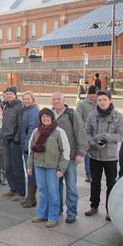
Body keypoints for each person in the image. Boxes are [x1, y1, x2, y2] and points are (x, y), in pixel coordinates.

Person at [84, 91, 123, 221]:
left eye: (104, 100)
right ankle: (94, 206)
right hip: (95, 155)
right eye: (99, 100)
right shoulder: (92, 114)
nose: (101, 102)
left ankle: (109, 210)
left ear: (110, 100)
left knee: (111, 183)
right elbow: (87, 132)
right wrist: (93, 143)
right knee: (95, 182)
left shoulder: (118, 116)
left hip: (110, 157)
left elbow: (122, 136)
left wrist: (109, 137)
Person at [28, 108, 70, 228]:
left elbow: (65, 151)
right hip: (39, 165)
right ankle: (42, 214)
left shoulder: (58, 132)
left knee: (53, 192)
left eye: (48, 117)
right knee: (42, 191)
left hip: (52, 167)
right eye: (43, 117)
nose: (45, 119)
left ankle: (53, 217)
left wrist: (62, 169)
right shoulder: (36, 131)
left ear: (52, 118)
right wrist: (29, 166)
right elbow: (31, 150)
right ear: (40, 118)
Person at [51, 91, 88, 224]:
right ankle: (58, 209)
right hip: (54, 159)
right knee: (56, 186)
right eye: (54, 99)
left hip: (70, 158)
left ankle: (71, 212)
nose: (56, 101)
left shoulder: (72, 115)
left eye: (58, 99)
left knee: (71, 187)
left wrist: (81, 153)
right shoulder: (50, 114)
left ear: (64, 100)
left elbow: (81, 134)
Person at [2, 87, 25, 200]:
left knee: (17, 167)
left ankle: (20, 192)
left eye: (11, 93)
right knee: (8, 167)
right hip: (6, 140)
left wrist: (16, 139)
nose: (9, 95)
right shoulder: (6, 105)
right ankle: (13, 188)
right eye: (7, 94)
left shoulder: (19, 107)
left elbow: (20, 125)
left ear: (15, 95)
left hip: (14, 141)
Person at [20, 91, 40, 208]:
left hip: (29, 147)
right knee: (29, 171)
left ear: (33, 100)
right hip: (25, 145)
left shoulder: (33, 112)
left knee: (31, 172)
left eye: (28, 99)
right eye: (24, 99)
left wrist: (27, 145)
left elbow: (32, 129)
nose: (26, 101)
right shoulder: (26, 110)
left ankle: (32, 198)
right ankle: (30, 197)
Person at [76, 85, 98, 182]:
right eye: (92, 96)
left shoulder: (98, 103)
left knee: (96, 153)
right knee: (88, 154)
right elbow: (78, 119)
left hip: (98, 133)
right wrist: (87, 126)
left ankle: (95, 173)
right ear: (88, 94)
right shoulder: (82, 105)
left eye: (95, 96)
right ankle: (89, 174)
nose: (94, 98)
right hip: (87, 133)